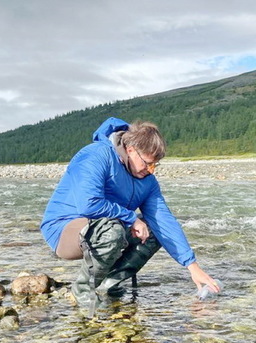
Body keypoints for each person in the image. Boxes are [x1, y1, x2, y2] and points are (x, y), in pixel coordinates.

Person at [40, 117, 220, 312]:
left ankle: (110, 284)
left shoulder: (148, 181)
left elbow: (164, 221)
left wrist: (192, 267)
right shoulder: (96, 155)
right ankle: (83, 289)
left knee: (153, 231)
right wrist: (131, 218)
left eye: (155, 165)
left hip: (106, 227)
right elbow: (88, 204)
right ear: (131, 149)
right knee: (113, 230)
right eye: (147, 163)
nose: (151, 170)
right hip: (63, 231)